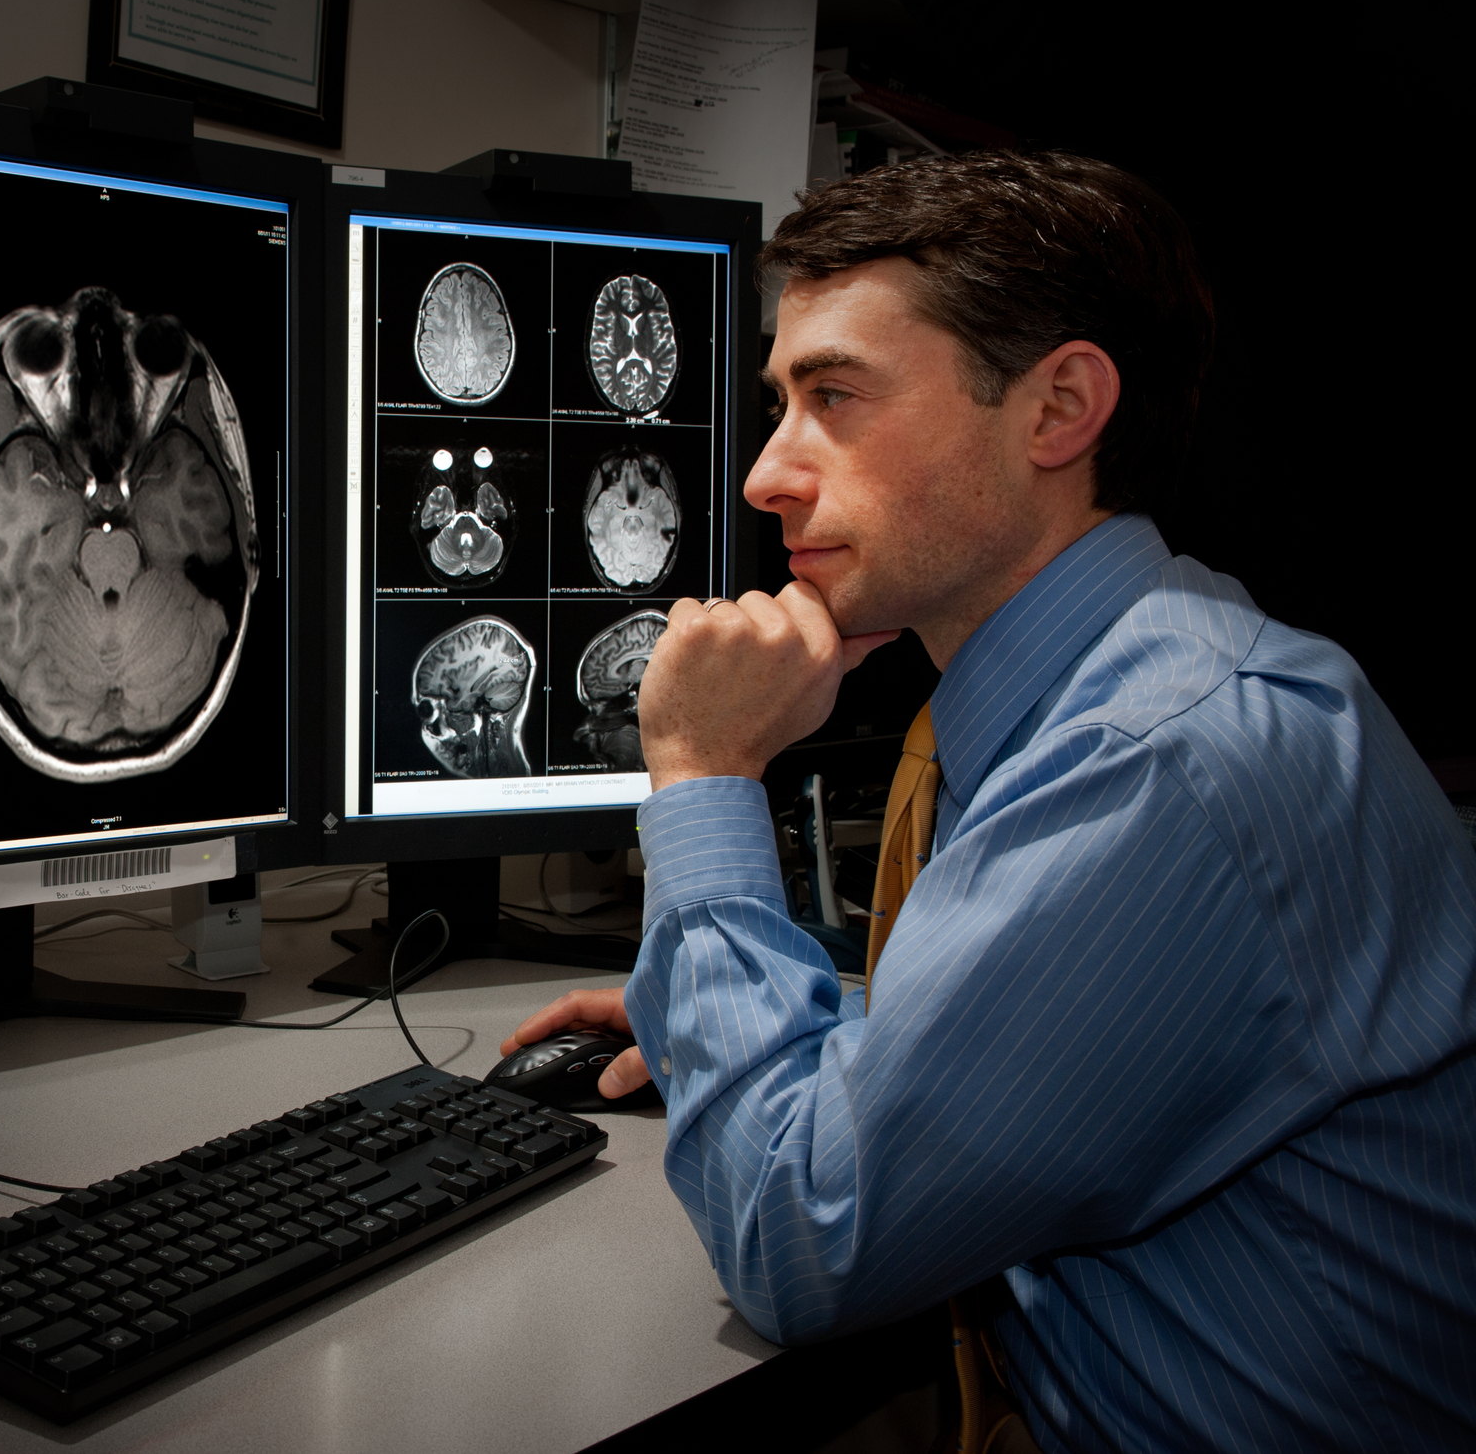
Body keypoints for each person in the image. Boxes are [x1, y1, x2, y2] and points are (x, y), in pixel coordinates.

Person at [502, 151, 1476, 1451]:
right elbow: (1092, 1011)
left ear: (1059, 406)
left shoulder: (1162, 754)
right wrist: (798, 1013)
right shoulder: (1138, 671)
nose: (763, 477)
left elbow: (798, 1251)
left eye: (833, 397)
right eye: (779, 403)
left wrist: (701, 774)